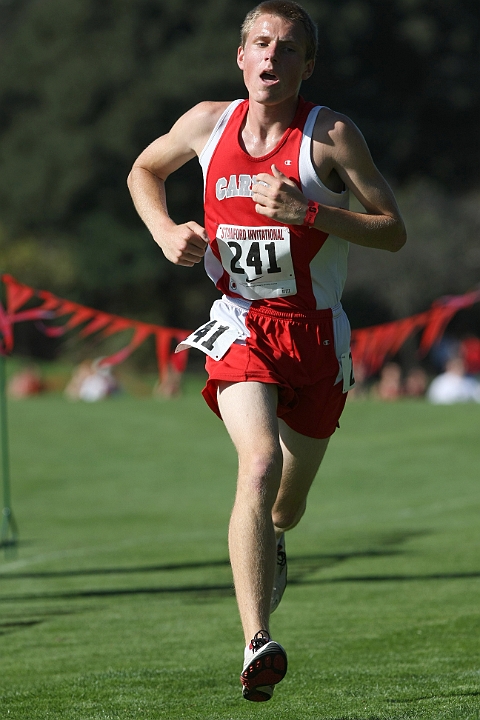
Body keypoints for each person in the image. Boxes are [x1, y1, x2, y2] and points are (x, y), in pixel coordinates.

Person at [128, 0, 406, 702]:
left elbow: (392, 230)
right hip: (240, 326)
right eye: (260, 43)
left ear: (305, 66)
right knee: (256, 465)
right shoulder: (205, 124)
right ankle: (258, 639)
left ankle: (277, 536)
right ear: (241, 57)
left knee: (287, 501)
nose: (272, 57)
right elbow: (143, 172)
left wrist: (309, 212)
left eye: (287, 48)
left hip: (316, 336)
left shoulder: (333, 136)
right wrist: (165, 232)